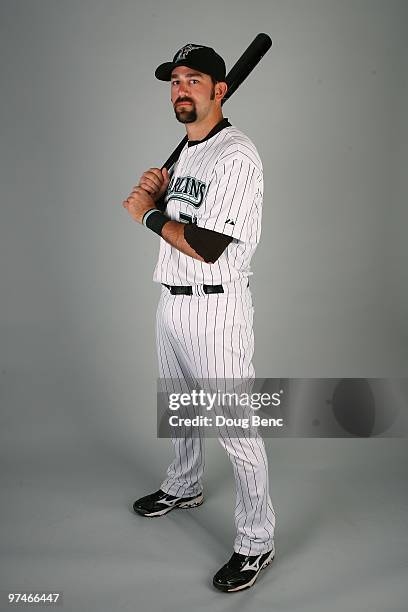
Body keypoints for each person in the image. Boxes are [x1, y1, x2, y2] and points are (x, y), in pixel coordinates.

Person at [122, 43, 276, 592]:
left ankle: (257, 541)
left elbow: (209, 245)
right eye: (175, 80)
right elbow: (189, 212)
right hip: (172, 299)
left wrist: (149, 216)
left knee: (236, 428)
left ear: (220, 89)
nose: (181, 89)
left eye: (194, 80)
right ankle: (185, 484)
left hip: (216, 303)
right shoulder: (188, 151)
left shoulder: (236, 154)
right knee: (180, 405)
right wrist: (165, 192)